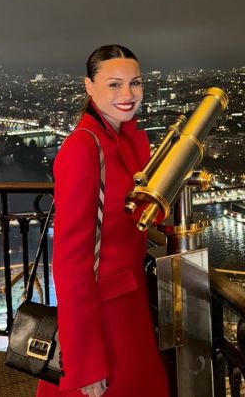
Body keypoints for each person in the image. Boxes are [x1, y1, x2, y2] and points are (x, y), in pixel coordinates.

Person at [37, 45, 169, 397]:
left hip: (127, 304)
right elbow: (69, 261)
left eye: (135, 83)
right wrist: (85, 359)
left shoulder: (121, 140)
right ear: (89, 87)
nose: (128, 95)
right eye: (114, 84)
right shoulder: (83, 150)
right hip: (104, 319)